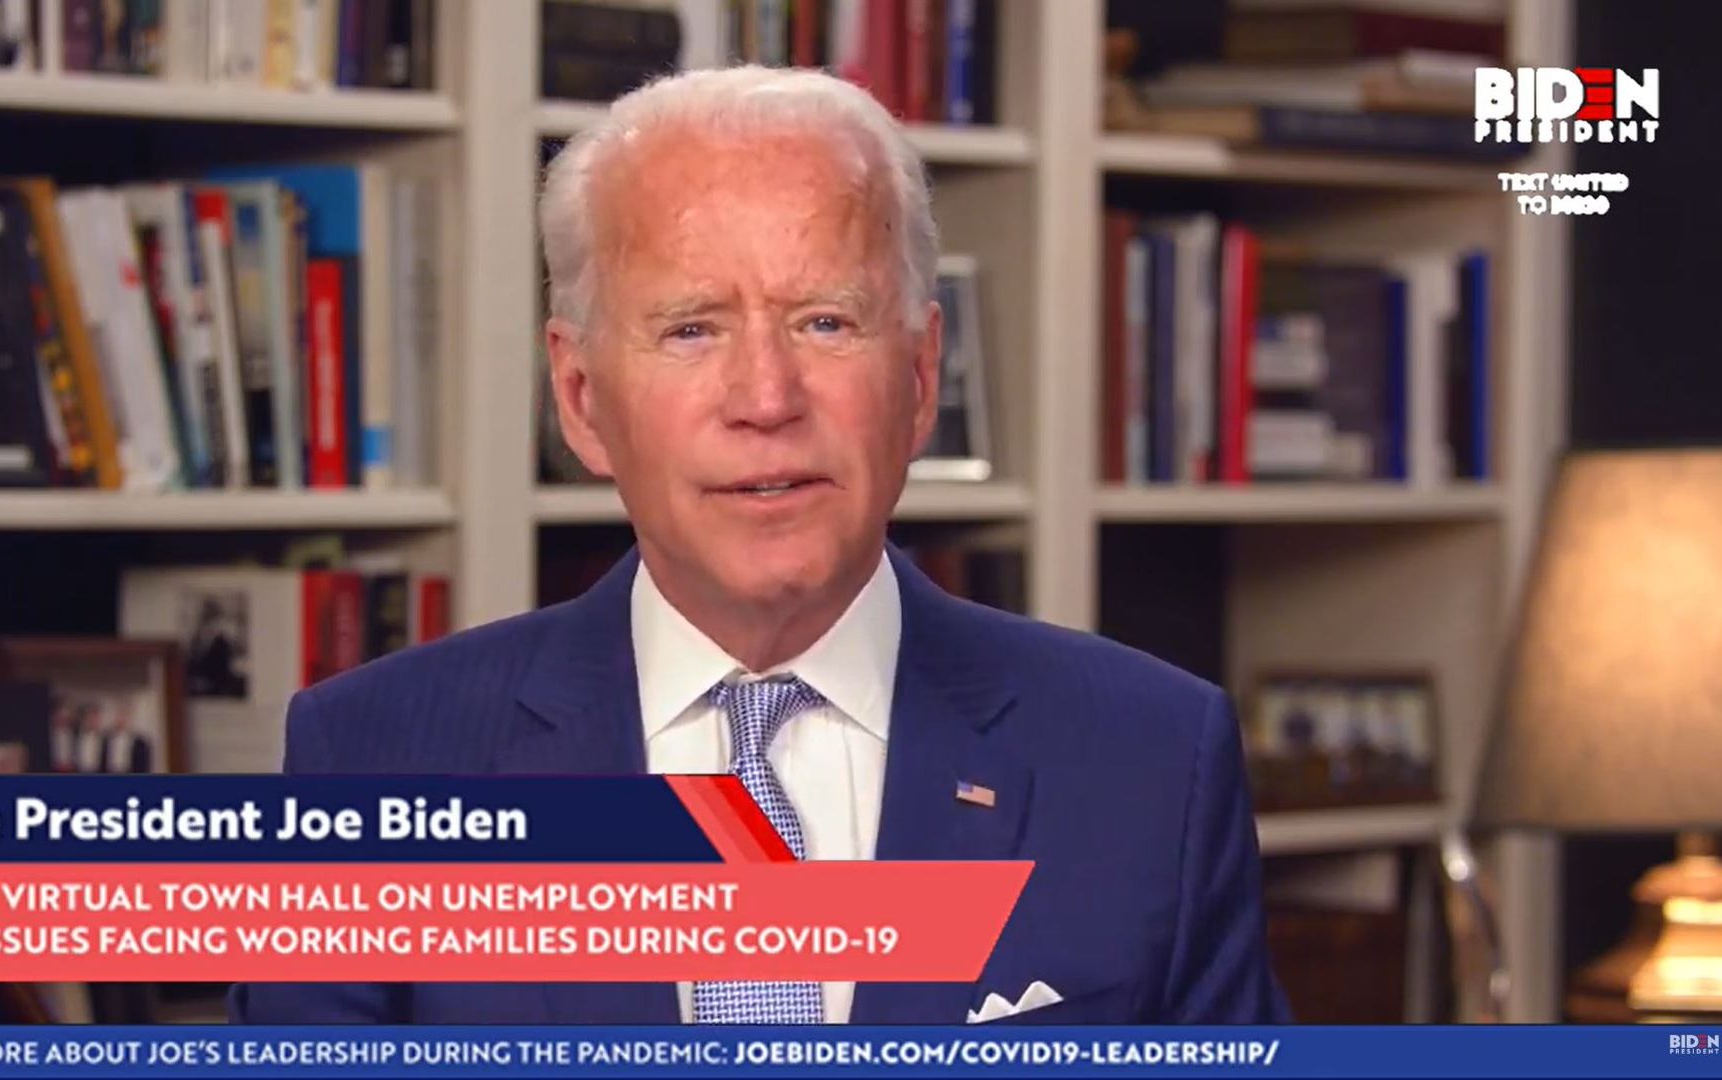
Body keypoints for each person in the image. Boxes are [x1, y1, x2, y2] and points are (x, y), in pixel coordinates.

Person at [230, 66, 1288, 1025]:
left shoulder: (1154, 759)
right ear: (582, 398)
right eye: (691, 328)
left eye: (825, 321)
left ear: (921, 378)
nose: (767, 398)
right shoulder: (374, 762)